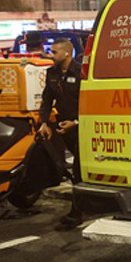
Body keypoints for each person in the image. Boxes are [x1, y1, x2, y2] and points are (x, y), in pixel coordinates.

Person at [39, 38, 82, 227]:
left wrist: (75, 122)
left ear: (67, 53)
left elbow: (88, 102)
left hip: (81, 127)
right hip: (64, 129)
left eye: (54, 52)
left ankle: (76, 214)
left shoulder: (81, 72)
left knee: (78, 170)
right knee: (71, 169)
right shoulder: (52, 73)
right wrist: (44, 122)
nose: (51, 55)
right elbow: (47, 99)